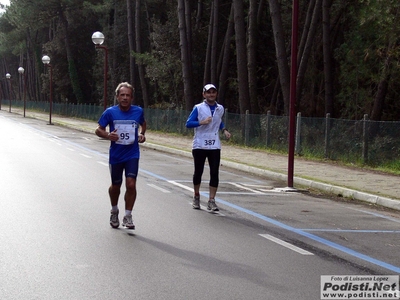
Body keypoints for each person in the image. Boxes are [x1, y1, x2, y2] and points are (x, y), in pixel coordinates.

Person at [95, 82, 146, 229]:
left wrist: (142, 134)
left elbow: (143, 123)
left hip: (132, 154)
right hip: (116, 156)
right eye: (122, 95)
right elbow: (98, 129)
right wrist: (107, 135)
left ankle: (128, 215)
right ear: (117, 97)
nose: (125, 98)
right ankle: (114, 210)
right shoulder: (110, 112)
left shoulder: (138, 111)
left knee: (131, 184)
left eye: (127, 95)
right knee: (116, 186)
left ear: (132, 98)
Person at [185, 84, 231, 211]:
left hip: (214, 144)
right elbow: (188, 123)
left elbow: (219, 120)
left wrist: (224, 130)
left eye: (213, 92)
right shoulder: (198, 108)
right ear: (204, 94)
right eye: (208, 92)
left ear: (216, 94)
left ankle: (211, 200)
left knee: (214, 172)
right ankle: (196, 196)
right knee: (198, 172)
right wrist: (201, 122)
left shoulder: (220, 108)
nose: (211, 94)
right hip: (200, 143)